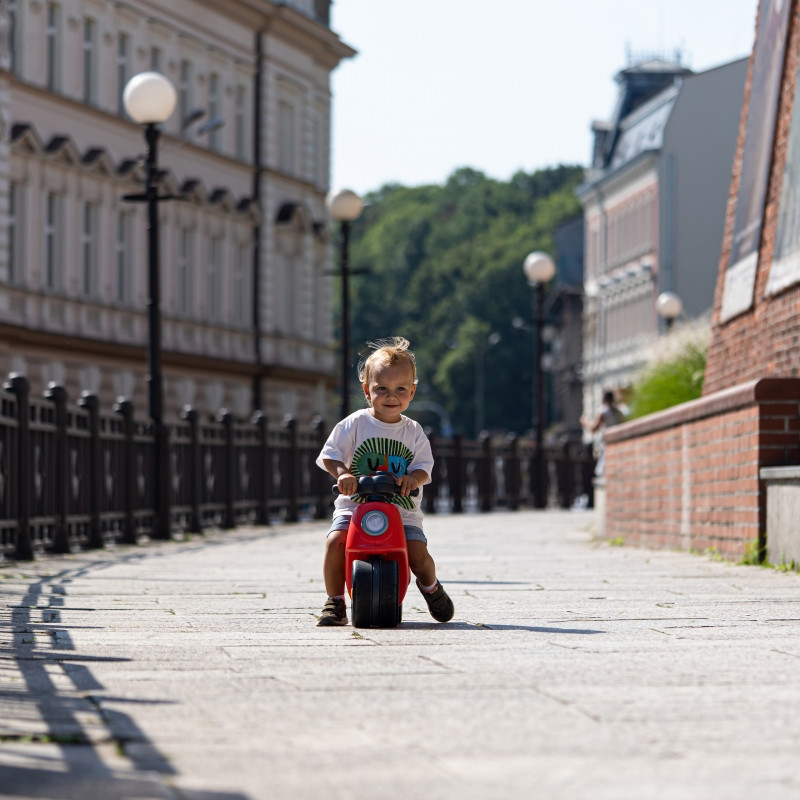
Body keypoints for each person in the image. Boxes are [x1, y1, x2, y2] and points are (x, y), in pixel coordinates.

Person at [315, 336, 454, 627]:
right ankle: (335, 601)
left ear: (412, 392)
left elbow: (424, 467)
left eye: (400, 389)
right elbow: (330, 455)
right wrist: (343, 474)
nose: (391, 396)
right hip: (355, 508)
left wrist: (412, 479)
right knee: (335, 542)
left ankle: (430, 587)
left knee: (417, 552)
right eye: (382, 389)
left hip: (402, 510)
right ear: (367, 390)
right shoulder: (354, 424)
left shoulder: (413, 431)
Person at [580, 390, 625, 477]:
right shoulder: (618, 412)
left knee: (603, 468)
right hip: (618, 441)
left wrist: (584, 422)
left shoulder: (603, 412)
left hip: (607, 442)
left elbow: (594, 429)